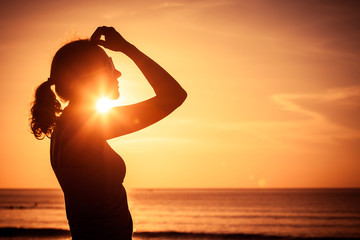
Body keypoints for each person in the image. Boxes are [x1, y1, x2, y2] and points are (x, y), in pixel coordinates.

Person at [29, 26, 187, 240]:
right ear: (89, 77)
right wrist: (128, 48)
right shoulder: (84, 125)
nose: (118, 72)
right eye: (110, 65)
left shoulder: (68, 124)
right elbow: (174, 96)